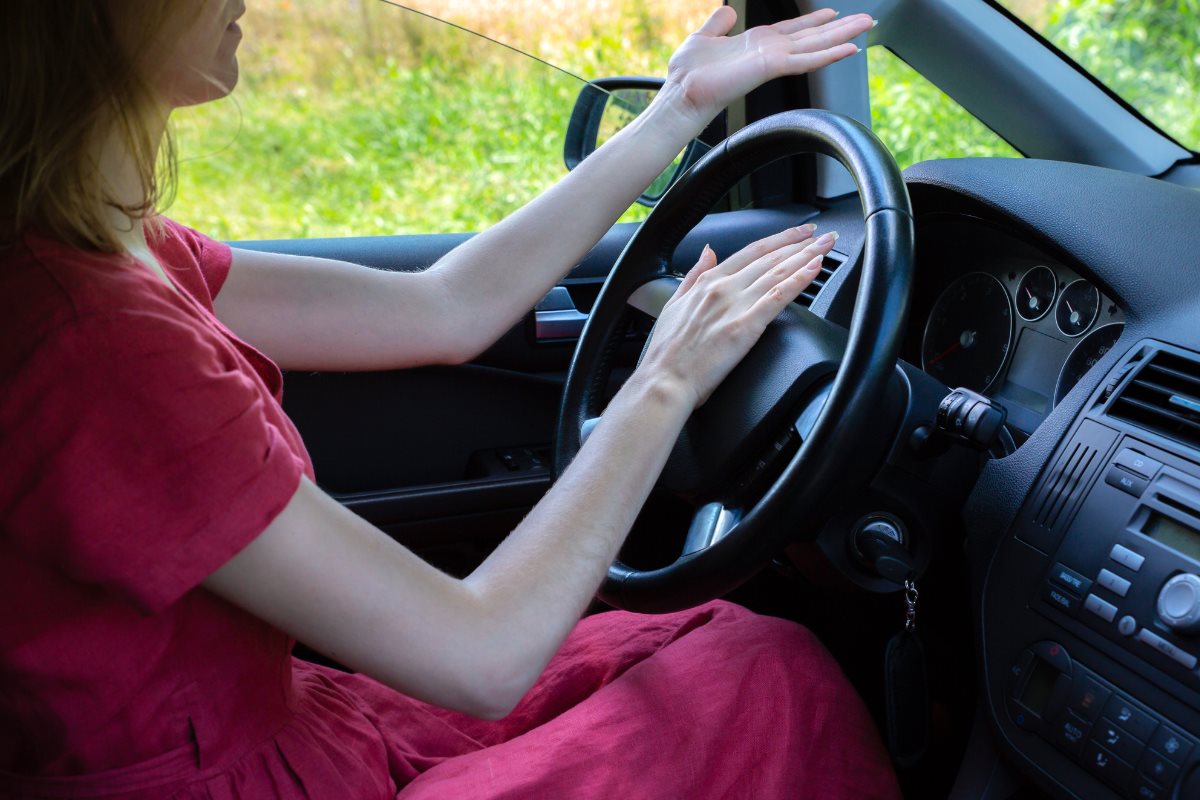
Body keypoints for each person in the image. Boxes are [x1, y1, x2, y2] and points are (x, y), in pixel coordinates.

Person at [0, 2, 900, 798]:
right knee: (772, 678)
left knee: (716, 640)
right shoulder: (93, 335)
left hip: (300, 728)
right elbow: (483, 656)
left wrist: (679, 108)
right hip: (240, 773)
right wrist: (666, 380)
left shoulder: (105, 254)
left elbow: (444, 306)